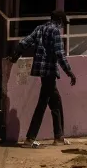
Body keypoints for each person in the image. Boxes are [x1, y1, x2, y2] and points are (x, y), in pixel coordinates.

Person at [21, 9, 78, 147]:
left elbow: (24, 42)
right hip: (50, 72)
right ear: (59, 21)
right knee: (42, 104)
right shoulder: (55, 31)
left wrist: (15, 55)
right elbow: (59, 54)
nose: (63, 26)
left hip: (41, 71)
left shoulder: (40, 28)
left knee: (56, 102)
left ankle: (59, 137)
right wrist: (69, 72)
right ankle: (30, 138)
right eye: (63, 23)